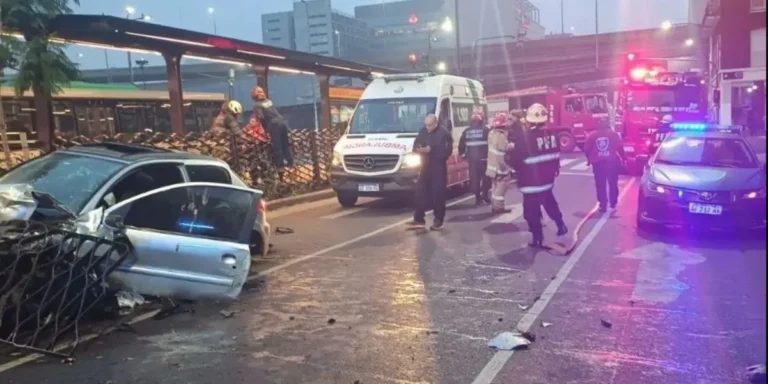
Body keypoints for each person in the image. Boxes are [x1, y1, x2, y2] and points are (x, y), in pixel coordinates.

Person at [506, 103, 568, 248]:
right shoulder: (553, 135)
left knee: (531, 211)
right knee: (550, 203)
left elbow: (515, 160)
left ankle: (537, 238)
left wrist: (510, 155)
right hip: (547, 180)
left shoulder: (525, 138)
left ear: (529, 120)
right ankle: (561, 225)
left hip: (530, 182)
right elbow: (556, 155)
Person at [408, 114, 454, 230]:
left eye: (429, 125)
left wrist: (432, 151)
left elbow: (447, 151)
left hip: (438, 167)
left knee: (438, 194)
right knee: (420, 192)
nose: (427, 127)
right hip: (425, 166)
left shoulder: (444, 133)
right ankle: (419, 218)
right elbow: (415, 145)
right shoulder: (423, 131)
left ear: (435, 123)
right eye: (426, 125)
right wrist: (419, 149)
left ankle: (438, 219)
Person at [584, 121, 626, 212]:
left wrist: (589, 159)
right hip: (611, 163)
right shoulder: (614, 134)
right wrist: (624, 158)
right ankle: (613, 202)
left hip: (598, 164)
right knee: (613, 183)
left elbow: (586, 149)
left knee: (600, 185)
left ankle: (603, 204)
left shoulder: (592, 135)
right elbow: (620, 147)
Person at [251, 86, 294, 168]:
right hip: (282, 121)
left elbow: (261, 117)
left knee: (277, 145)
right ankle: (290, 162)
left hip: (273, 124)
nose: (262, 93)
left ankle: (280, 165)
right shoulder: (269, 101)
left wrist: (265, 128)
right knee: (285, 143)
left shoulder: (257, 105)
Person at [459, 108, 491, 206]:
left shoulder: (466, 131)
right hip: (484, 159)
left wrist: (463, 155)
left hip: (472, 160)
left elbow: (461, 145)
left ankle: (478, 199)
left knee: (475, 180)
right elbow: (491, 144)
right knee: (486, 179)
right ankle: (485, 195)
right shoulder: (486, 130)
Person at [486, 112, 514, 214]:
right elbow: (505, 148)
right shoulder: (500, 135)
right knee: (502, 185)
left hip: (492, 166)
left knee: (495, 185)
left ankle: (494, 205)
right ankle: (499, 207)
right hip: (500, 166)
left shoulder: (491, 133)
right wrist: (513, 145)